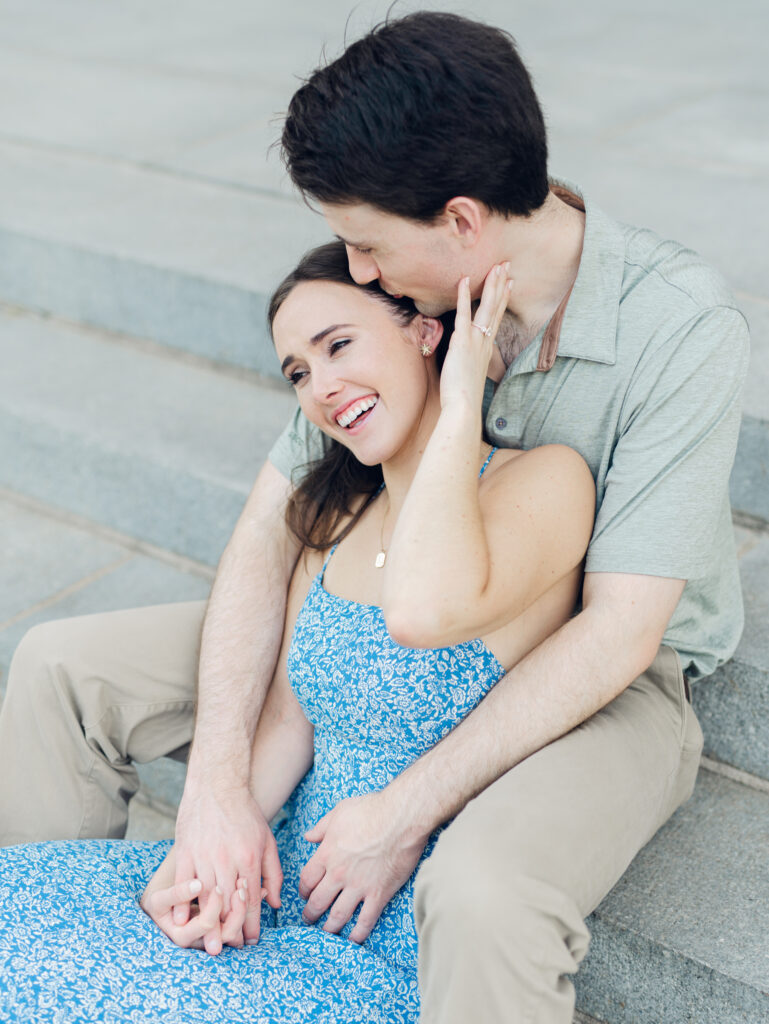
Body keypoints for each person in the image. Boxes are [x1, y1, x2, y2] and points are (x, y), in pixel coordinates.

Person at [0, 11, 748, 1023]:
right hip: (375, 602)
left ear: (461, 219)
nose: (354, 268)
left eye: (366, 243)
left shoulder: (676, 327)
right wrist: (218, 791)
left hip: (604, 670)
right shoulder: (385, 330)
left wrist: (404, 809)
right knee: (62, 666)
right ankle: (128, 958)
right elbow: (273, 536)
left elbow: (620, 630)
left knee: (481, 895)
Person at [0, 241, 594, 1022]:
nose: (321, 388)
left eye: (337, 346)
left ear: (425, 332)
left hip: (381, 921)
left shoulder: (544, 482)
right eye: (298, 373)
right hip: (275, 890)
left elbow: (434, 597)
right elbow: (286, 718)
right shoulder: (340, 517)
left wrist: (458, 402)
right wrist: (207, 859)